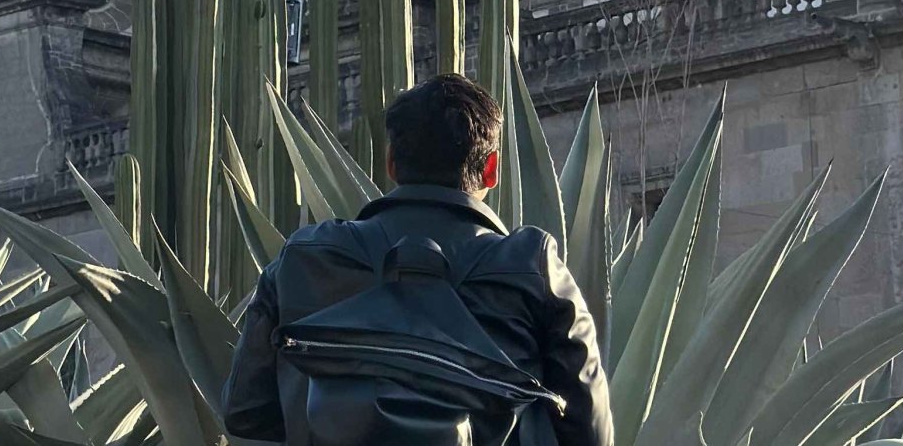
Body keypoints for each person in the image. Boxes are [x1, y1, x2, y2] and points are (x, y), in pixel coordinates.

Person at [222, 74, 613, 445]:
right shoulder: (532, 266)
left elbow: (245, 411)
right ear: (491, 170)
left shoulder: (305, 259)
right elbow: (589, 430)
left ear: (392, 163)